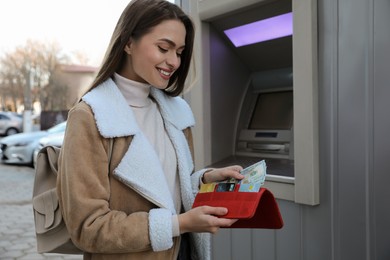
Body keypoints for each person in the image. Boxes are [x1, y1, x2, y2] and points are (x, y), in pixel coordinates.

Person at [57, 0, 244, 259]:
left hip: (184, 252)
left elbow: (166, 191)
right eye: (163, 48)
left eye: (179, 52)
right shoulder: (91, 116)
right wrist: (179, 224)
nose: (174, 62)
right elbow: (87, 227)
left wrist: (204, 180)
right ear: (128, 42)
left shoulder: (176, 112)